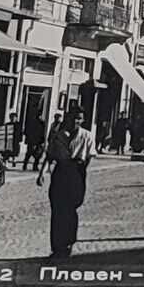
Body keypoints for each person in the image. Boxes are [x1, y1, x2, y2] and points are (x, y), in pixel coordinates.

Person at [36, 109, 92, 259]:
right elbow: (49, 157)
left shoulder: (86, 136)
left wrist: (80, 173)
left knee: (71, 208)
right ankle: (57, 247)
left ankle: (69, 242)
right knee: (57, 209)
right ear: (68, 119)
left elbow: (89, 157)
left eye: (79, 119)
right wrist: (42, 174)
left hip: (76, 172)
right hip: (60, 172)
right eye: (74, 118)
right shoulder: (58, 136)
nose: (76, 122)